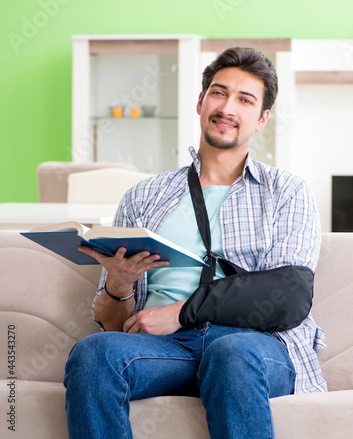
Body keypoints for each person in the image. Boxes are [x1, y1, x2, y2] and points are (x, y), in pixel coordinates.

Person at [64, 46, 327, 439]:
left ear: (262, 119)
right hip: (163, 350)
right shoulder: (144, 196)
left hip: (253, 346)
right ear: (201, 102)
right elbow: (117, 324)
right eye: (219, 93)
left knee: (230, 353)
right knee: (94, 353)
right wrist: (119, 285)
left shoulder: (286, 192)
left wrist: (181, 311)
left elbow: (289, 294)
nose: (227, 108)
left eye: (245, 100)